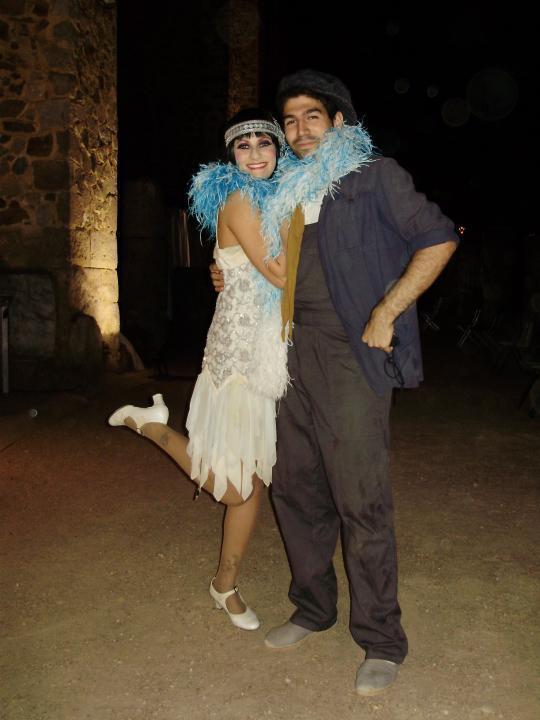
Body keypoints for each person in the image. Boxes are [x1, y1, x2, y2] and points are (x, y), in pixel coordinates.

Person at [211, 70, 459, 695]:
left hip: (348, 357)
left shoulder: (375, 176)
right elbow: (256, 263)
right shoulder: (284, 191)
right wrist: (224, 274)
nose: (298, 131)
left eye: (311, 117)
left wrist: (388, 309)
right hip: (286, 354)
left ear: (339, 121)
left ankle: (381, 638)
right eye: (289, 121)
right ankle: (314, 607)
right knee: (296, 488)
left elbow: (439, 237)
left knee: (361, 498)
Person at [108, 108, 288, 632]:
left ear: (278, 151)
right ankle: (153, 427)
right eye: (243, 146)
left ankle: (224, 585)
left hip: (266, 355)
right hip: (237, 357)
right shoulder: (240, 200)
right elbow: (279, 273)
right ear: (230, 155)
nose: (255, 154)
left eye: (264, 144)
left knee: (252, 483)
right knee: (234, 488)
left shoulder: (270, 202)